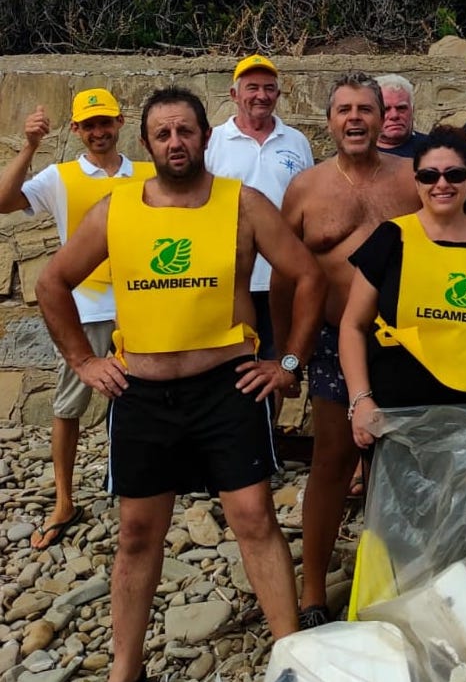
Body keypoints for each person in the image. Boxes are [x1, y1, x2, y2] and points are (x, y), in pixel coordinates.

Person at [35, 86, 325, 682]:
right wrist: (86, 364)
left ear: (206, 137)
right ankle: (125, 669)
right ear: (146, 143)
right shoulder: (117, 208)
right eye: (163, 133)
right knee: (139, 533)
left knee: (253, 518)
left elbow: (306, 275)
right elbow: (51, 284)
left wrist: (289, 363)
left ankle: (293, 655)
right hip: (140, 393)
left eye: (186, 131)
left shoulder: (240, 203)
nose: (175, 142)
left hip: (229, 386)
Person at [272, 72, 420, 630]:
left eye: (366, 109)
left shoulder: (413, 179)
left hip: (406, 340)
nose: (355, 119)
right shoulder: (307, 188)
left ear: (385, 118)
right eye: (344, 110)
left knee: (402, 464)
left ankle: (398, 579)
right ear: (329, 120)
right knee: (332, 459)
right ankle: (312, 590)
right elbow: (287, 277)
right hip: (335, 340)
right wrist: (292, 352)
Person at [0, 89, 154, 550]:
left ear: (120, 122)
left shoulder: (146, 174)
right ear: (76, 130)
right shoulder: (59, 177)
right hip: (84, 311)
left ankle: (141, 491)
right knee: (69, 408)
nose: (98, 132)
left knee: (142, 404)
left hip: (140, 306)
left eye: (105, 122)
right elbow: (5, 201)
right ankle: (64, 499)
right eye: (89, 125)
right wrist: (29, 147)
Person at [340, 125, 466, 449]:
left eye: (454, 175)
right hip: (399, 408)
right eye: (429, 176)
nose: (441, 184)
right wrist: (360, 399)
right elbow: (353, 324)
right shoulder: (392, 238)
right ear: (416, 181)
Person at [206, 53, 314, 359]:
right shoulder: (213, 142)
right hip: (229, 279)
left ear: (278, 95)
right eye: (252, 87)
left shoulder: (296, 141)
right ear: (234, 94)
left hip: (282, 278)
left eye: (269, 88)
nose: (261, 95)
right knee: (232, 363)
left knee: (277, 363)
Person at [374, 73, 429, 158]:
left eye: (401, 108)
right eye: (386, 109)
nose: (394, 116)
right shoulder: (357, 154)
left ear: (412, 110)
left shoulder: (434, 150)